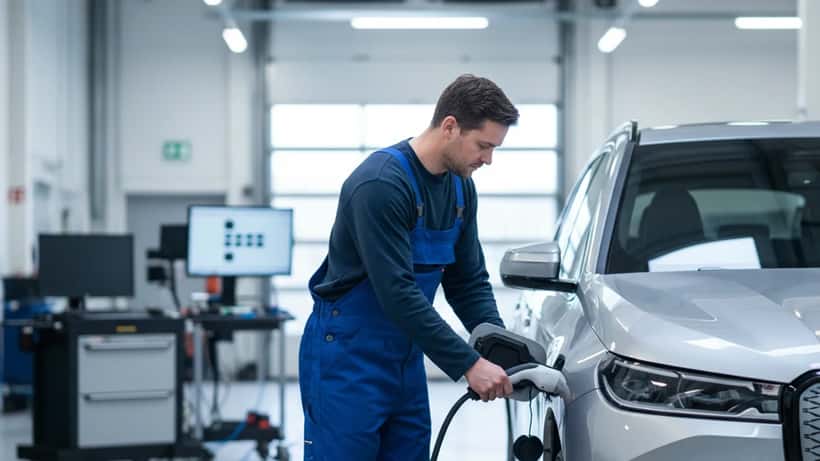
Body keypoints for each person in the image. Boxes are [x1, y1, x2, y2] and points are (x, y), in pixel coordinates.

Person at [298, 74, 520, 461]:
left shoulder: (460, 187)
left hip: (405, 359)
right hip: (347, 360)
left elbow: (468, 281)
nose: (488, 159)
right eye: (483, 145)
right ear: (450, 126)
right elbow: (396, 292)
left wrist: (497, 347)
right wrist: (468, 364)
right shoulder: (381, 184)